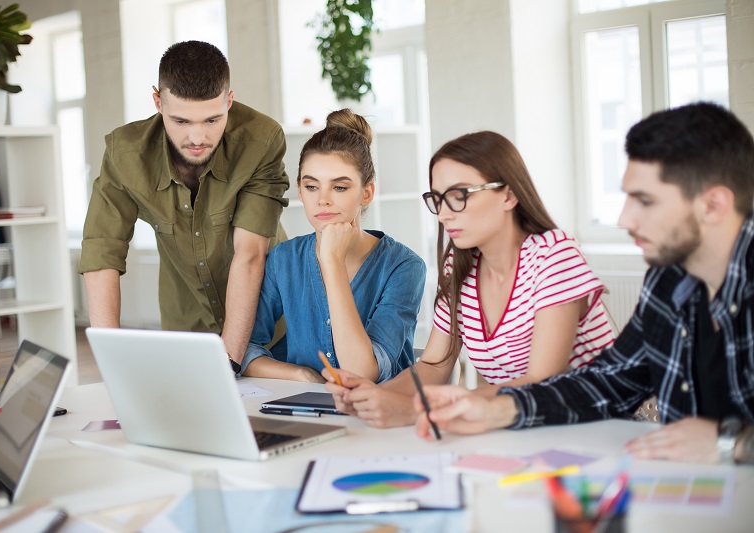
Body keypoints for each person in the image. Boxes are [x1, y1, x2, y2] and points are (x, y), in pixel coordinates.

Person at [414, 102, 754, 466]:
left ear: (714, 205)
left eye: (645, 201)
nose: (624, 219)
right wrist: (496, 411)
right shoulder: (668, 281)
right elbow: (608, 381)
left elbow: (548, 375)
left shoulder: (553, 254)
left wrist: (729, 443)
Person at [324, 131, 615, 425]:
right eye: (437, 199)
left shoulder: (553, 253)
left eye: (458, 195)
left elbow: (542, 380)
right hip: (525, 430)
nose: (443, 215)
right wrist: (375, 397)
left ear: (509, 194)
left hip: (599, 426)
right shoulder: (460, 265)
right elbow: (434, 365)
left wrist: (418, 410)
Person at [78, 41, 289, 372]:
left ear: (229, 100)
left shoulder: (261, 140)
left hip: (272, 325)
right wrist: (113, 361)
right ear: (158, 102)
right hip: (187, 328)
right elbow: (101, 251)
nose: (197, 137)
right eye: (180, 121)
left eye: (212, 120)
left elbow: (250, 254)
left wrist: (229, 362)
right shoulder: (125, 154)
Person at [240, 109, 425, 383]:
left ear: (366, 193)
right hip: (303, 412)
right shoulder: (283, 259)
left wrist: (332, 262)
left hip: (380, 416)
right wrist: (301, 374)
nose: (323, 200)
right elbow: (242, 349)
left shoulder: (404, 267)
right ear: (300, 191)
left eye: (339, 187)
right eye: (312, 186)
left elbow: (364, 373)